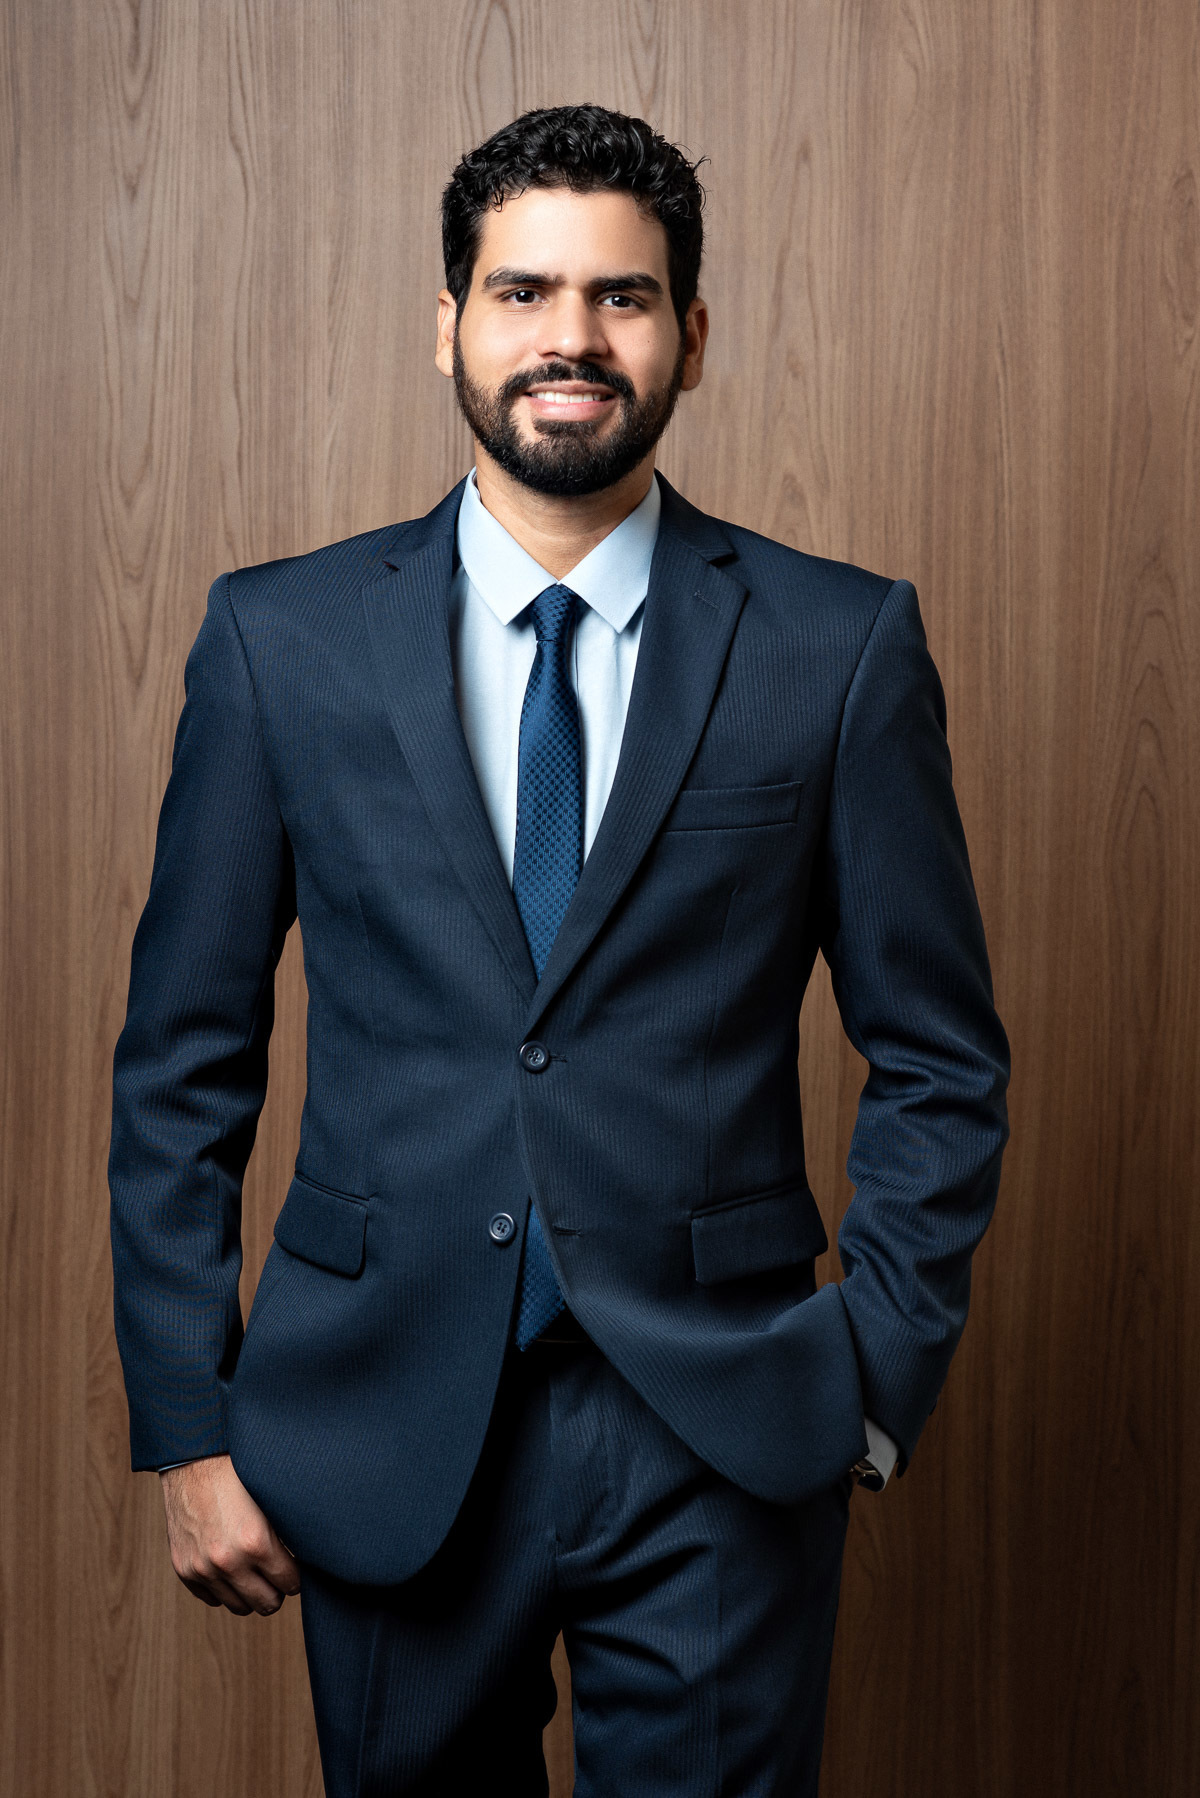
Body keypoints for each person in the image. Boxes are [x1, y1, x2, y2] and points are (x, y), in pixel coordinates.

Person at [110, 104, 1009, 1797]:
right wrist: (192, 1419)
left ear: (691, 337)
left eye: (624, 297)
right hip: (377, 1425)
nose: (571, 340)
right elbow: (182, 1059)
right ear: (446, 323)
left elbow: (945, 1055)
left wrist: (869, 1377)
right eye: (524, 293)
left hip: (724, 1434)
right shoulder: (278, 640)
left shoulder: (837, 642)